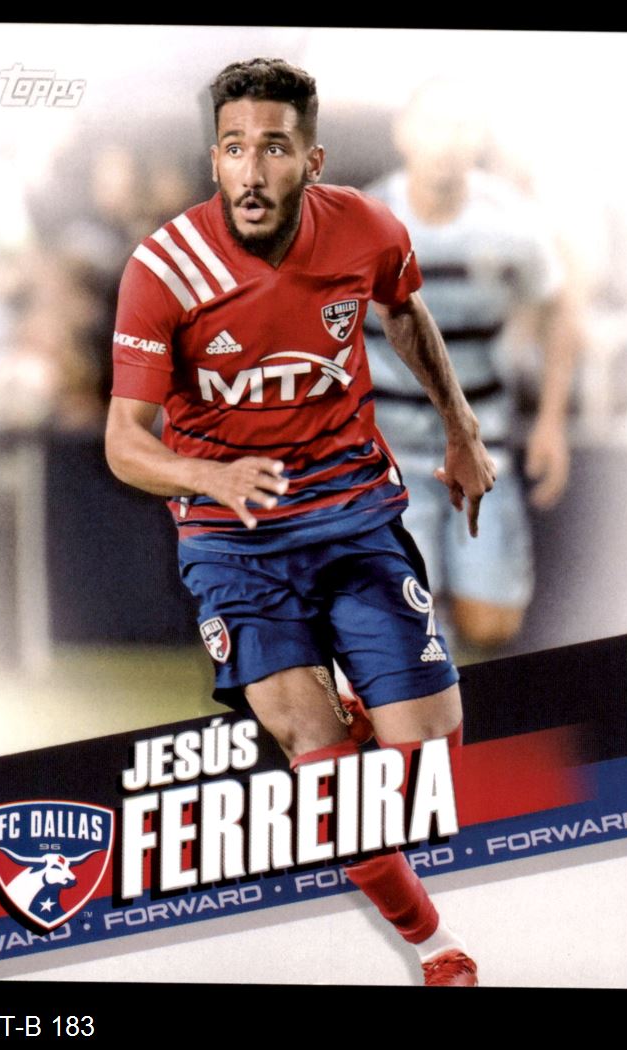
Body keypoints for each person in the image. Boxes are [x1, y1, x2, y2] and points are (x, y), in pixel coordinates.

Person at [105, 58, 496, 987]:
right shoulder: (164, 268)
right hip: (233, 545)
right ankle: (435, 948)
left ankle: (370, 705)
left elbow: (405, 311)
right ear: (214, 159)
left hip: (354, 516)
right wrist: (206, 474)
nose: (251, 170)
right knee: (325, 773)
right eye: (234, 148)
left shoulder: (365, 227)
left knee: (426, 766)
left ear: (311, 161)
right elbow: (123, 441)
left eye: (273, 148)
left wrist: (462, 427)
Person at [364, 78, 579, 655]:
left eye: (461, 127)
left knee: (492, 625)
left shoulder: (512, 221)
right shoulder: (365, 220)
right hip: (389, 453)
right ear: (404, 134)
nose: (447, 141)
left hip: (482, 445)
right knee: (405, 619)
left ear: (479, 139)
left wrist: (552, 422)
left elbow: (560, 306)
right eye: (434, 125)